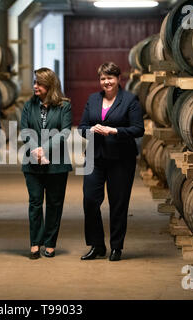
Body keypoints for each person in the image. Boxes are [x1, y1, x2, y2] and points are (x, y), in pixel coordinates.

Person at [78, 62, 144, 261]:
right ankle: (97, 245)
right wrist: (91, 129)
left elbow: (138, 129)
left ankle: (116, 247)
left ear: (118, 79)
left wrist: (114, 131)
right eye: (103, 78)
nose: (106, 82)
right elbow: (82, 126)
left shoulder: (130, 100)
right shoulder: (92, 99)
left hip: (121, 159)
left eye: (110, 78)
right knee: (90, 201)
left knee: (118, 204)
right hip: (94, 157)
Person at [21, 67, 72, 259]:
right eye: (34, 82)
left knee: (54, 204)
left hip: (57, 164)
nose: (35, 86)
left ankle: (50, 243)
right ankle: (35, 243)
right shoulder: (29, 105)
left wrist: (46, 149)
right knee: (35, 203)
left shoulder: (64, 106)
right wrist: (36, 150)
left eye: (39, 83)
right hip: (32, 164)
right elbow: (25, 130)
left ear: (50, 86)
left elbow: (65, 131)